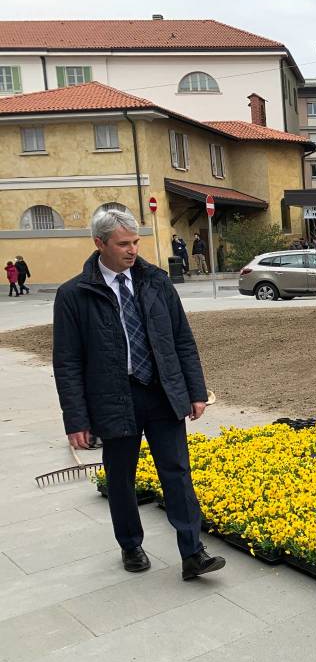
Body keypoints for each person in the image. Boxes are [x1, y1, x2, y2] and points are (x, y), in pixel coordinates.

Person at [52, 208, 225, 580]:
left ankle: (193, 552)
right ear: (100, 244)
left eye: (135, 242)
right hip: (113, 398)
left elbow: (182, 339)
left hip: (161, 393)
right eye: (123, 244)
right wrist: (76, 419)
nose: (132, 250)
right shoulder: (73, 295)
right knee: (120, 477)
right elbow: (67, 362)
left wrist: (195, 391)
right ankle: (130, 544)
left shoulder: (157, 281)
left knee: (177, 472)